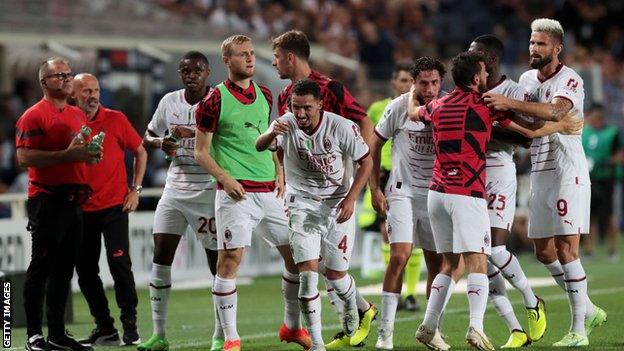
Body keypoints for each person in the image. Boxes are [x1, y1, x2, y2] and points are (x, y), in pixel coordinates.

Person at [411, 51, 582, 351]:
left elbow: (415, 113)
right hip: (466, 193)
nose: (487, 77)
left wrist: (413, 96)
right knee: (478, 260)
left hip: (436, 193)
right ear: (477, 77)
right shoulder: (484, 104)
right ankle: (476, 328)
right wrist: (562, 126)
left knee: (450, 265)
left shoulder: (437, 104)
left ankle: (428, 326)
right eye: (483, 73)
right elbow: (528, 133)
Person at [484, 18, 608, 347]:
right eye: (531, 42)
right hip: (539, 171)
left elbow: (553, 113)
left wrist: (509, 105)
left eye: (540, 44)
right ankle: (590, 309)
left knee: (568, 250)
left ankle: (578, 330)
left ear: (557, 48)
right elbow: (530, 120)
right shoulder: (526, 79)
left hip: (568, 172)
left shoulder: (571, 80)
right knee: (543, 252)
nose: (533, 49)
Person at [194, 35, 310, 351]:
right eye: (241, 55)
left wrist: (281, 171)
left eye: (251, 54)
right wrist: (225, 179)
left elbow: (268, 139)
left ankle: (291, 327)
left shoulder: (266, 94)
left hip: (270, 192)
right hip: (236, 193)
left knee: (298, 258)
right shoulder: (213, 100)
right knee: (230, 260)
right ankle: (229, 337)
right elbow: (200, 151)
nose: (249, 59)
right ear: (227, 61)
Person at [272, 29, 377, 348]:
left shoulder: (330, 89)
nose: (274, 63)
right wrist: (281, 174)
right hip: (303, 196)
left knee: (333, 272)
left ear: (290, 57)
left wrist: (363, 183)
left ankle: (359, 313)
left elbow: (364, 124)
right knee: (309, 267)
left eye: (276, 57)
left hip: (337, 193)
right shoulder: (283, 96)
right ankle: (334, 327)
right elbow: (280, 140)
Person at [137, 51, 226, 351]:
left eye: (197, 70)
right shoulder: (169, 101)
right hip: (175, 188)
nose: (192, 75)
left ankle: (219, 335)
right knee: (161, 252)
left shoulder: (219, 99)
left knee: (217, 264)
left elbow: (229, 139)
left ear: (207, 72)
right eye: (186, 70)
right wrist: (162, 141)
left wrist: (195, 134)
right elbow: (147, 137)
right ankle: (158, 334)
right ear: (180, 73)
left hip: (209, 190)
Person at [17, 57, 99, 351]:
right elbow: (24, 158)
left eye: (68, 75)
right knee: (41, 267)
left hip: (73, 200)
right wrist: (68, 156)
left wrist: (89, 156)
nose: (65, 79)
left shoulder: (77, 115)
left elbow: (77, 155)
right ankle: (33, 336)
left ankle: (56, 334)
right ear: (44, 82)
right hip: (47, 200)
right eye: (58, 75)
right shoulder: (33, 115)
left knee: (64, 270)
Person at [469, 35, 546, 348]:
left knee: (496, 250)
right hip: (471, 175)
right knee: (480, 258)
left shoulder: (513, 91)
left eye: (474, 55)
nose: (470, 59)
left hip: (499, 171)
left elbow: (528, 137)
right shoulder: (469, 90)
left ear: (489, 58)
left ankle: (531, 300)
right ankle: (516, 330)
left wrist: (484, 126)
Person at [369, 56, 451, 350]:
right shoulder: (396, 108)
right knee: (400, 256)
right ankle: (385, 334)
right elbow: (374, 144)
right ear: (413, 81)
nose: (429, 88)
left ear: (441, 82)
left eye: (434, 82)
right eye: (423, 82)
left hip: (434, 194)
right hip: (401, 191)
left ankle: (432, 329)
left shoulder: (448, 106)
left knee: (436, 263)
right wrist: (374, 187)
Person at [72, 73, 147, 346]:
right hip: (80, 210)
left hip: (114, 207)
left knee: (119, 265)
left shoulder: (115, 119)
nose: (92, 96)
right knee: (86, 272)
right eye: (86, 91)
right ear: (74, 94)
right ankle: (104, 326)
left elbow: (140, 151)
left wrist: (135, 190)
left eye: (95, 90)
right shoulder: (69, 122)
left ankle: (130, 324)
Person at [360, 61, 424, 313]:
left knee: (414, 240)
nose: (407, 85)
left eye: (410, 80)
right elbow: (369, 141)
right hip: (387, 175)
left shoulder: (424, 107)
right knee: (390, 235)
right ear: (393, 82)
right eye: (402, 80)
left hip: (413, 176)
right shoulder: (379, 108)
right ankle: (397, 290)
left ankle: (409, 292)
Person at [581, 103, 622, 261]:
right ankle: (590, 250)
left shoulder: (612, 132)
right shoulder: (584, 132)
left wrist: (604, 162)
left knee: (611, 215)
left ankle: (613, 250)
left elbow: (619, 155)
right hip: (589, 180)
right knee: (589, 216)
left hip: (607, 179)